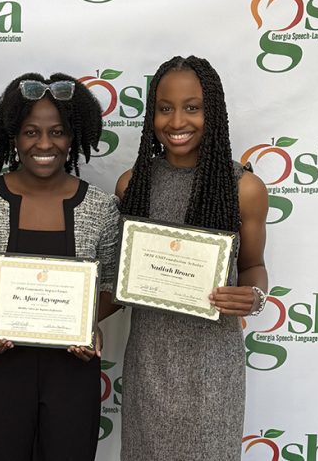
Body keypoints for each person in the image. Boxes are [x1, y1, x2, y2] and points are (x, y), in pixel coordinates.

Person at [0, 73, 120, 461]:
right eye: (31, 132)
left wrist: (86, 324)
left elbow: (113, 283)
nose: (44, 144)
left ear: (73, 137)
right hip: (2, 365)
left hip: (73, 367)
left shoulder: (99, 206)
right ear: (13, 135)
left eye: (57, 132)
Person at [115, 56, 269, 460]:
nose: (177, 121)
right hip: (148, 361)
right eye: (165, 109)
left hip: (213, 366)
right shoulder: (132, 185)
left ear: (213, 112)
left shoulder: (244, 188)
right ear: (152, 115)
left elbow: (253, 266)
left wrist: (254, 296)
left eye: (192, 107)